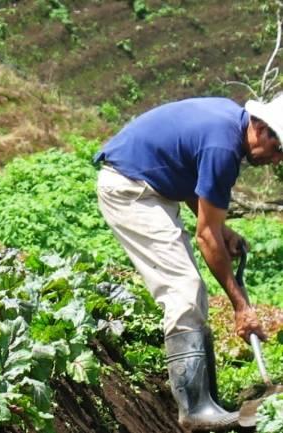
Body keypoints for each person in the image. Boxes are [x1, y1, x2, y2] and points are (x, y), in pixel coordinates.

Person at [94, 96, 283, 430]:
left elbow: (189, 179)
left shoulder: (228, 124)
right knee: (183, 288)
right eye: (278, 147)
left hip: (152, 187)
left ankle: (207, 399)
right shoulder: (223, 148)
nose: (277, 158)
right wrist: (240, 306)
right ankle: (195, 410)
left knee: (193, 293)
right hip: (130, 189)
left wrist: (222, 230)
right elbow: (206, 237)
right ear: (261, 127)